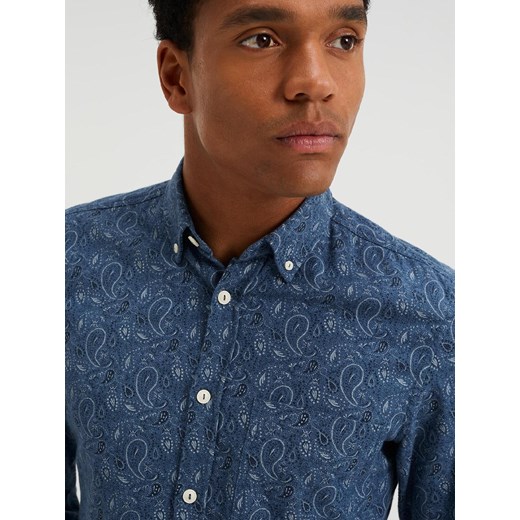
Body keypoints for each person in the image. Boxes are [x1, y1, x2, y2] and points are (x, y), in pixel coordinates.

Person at [65, 0, 454, 518]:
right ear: (177, 78)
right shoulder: (66, 263)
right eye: (262, 39)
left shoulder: (432, 316)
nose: (316, 83)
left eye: (343, 40)